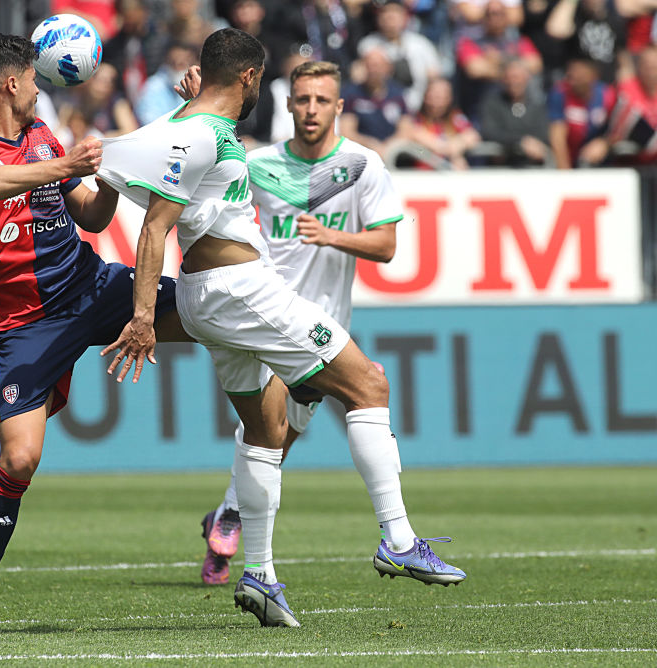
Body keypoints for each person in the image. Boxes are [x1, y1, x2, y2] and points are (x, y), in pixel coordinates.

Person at [98, 28, 466, 628]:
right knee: (370, 386)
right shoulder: (203, 135)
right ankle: (398, 538)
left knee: (266, 431)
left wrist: (185, 106)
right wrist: (142, 317)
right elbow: (153, 229)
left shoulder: (196, 130)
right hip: (243, 292)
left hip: (208, 299)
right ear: (250, 80)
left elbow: (187, 159)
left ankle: (261, 575)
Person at [0, 32, 190, 637]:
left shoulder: (42, 134)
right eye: (33, 75)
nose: (40, 85)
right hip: (24, 323)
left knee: (210, 316)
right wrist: (64, 164)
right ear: (10, 83)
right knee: (19, 458)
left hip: (90, 286)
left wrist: (110, 176)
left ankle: (293, 391)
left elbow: (93, 217)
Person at [186, 59, 467, 592]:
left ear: (339, 107)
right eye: (302, 99)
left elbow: (386, 245)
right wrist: (201, 103)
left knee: (274, 438)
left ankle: (229, 521)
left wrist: (333, 235)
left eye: (321, 100)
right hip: (267, 315)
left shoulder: (364, 165)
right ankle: (395, 540)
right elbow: (212, 173)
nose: (311, 109)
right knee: (356, 392)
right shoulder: (259, 165)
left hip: (324, 321)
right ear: (288, 105)